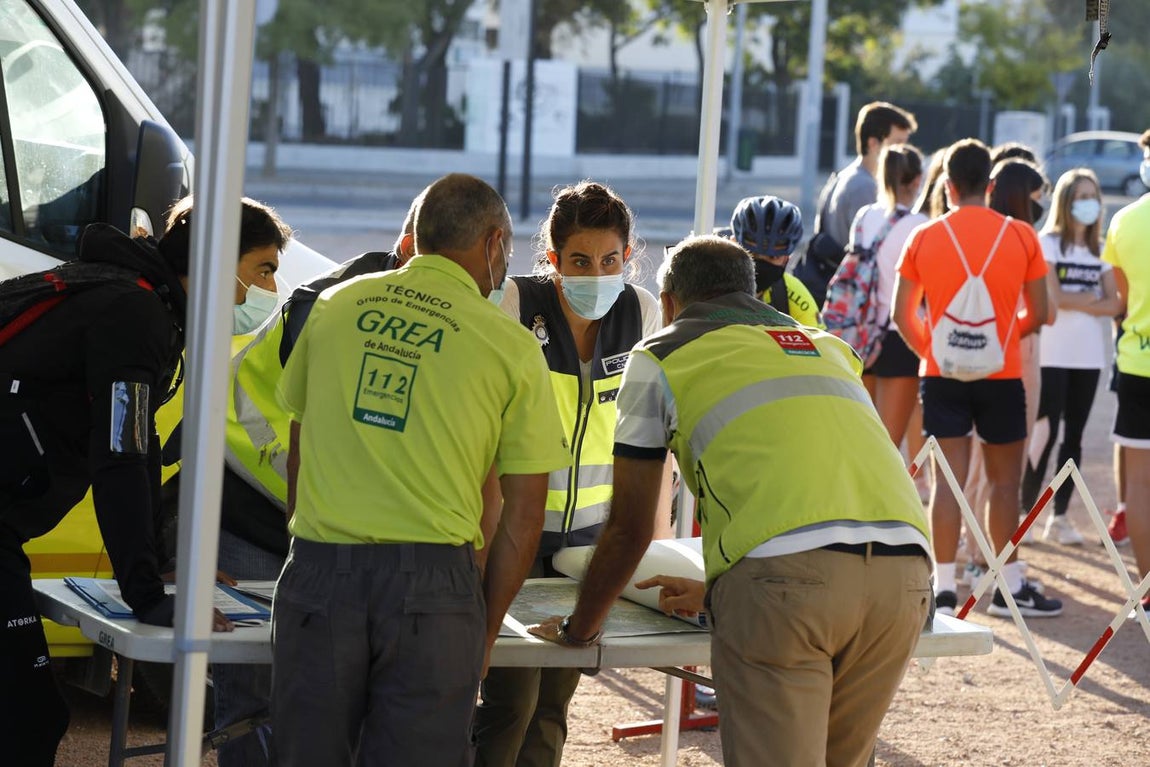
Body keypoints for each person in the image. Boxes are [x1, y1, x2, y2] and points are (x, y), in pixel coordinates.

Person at [530, 235, 931, 767]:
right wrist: (722, 591)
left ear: (669, 303)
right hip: (903, 577)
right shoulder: (828, 347)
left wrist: (578, 629)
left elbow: (630, 527)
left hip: (784, 587)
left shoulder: (661, 353)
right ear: (753, 294)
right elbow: (823, 498)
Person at [271, 173, 570, 766]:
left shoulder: (333, 306)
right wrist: (484, 631)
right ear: (493, 244)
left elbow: (300, 449)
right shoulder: (509, 346)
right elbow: (524, 515)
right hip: (433, 591)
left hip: (320, 569)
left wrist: (311, 554)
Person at [0, 195, 289, 766]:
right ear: (213, 260)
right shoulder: (134, 311)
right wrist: (148, 596)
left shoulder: (136, 294)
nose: (260, 292)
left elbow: (136, 440)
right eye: (262, 269)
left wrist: (155, 558)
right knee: (28, 715)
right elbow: (121, 453)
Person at [209, 201, 419, 767]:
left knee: (326, 705)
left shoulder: (430, 319)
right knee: (251, 702)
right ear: (406, 251)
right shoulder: (326, 307)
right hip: (254, 515)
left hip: (324, 533)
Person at [473, 180, 664, 767]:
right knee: (510, 700)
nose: (597, 273)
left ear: (629, 258)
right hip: (515, 534)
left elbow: (651, 440)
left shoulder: (643, 310)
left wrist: (649, 543)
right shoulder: (510, 304)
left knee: (556, 702)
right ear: (552, 258)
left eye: (611, 260)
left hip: (590, 547)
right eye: (580, 260)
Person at [893, 139, 1059, 618]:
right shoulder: (1021, 235)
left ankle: (943, 588)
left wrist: (935, 351)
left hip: (942, 374)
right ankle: (1006, 583)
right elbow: (1042, 312)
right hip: (1002, 372)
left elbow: (902, 314)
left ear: (947, 185)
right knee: (1005, 483)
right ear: (989, 185)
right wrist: (1004, 337)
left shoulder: (924, 236)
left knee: (949, 482)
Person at [1022, 168, 1121, 546]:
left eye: (1092, 196)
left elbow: (1116, 302)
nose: (1089, 204)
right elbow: (1055, 300)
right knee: (1043, 434)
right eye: (1081, 196)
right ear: (1065, 201)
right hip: (1051, 354)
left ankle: (1059, 516)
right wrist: (1092, 301)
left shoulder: (1102, 250)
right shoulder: (1046, 244)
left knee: (1073, 438)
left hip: (1089, 357)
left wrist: (1084, 302)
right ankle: (1024, 514)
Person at [797, 102, 917, 306]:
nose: (902, 153)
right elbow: (873, 260)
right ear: (873, 143)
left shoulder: (842, 177)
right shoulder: (866, 187)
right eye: (897, 144)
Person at [1100, 128, 1150, 616]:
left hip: (1137, 362)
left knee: (1139, 486)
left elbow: (1118, 299)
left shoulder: (1124, 220)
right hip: (1135, 362)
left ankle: (1148, 591)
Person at [848, 143, 926, 447]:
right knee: (887, 444)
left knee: (864, 436)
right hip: (900, 335)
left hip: (862, 333)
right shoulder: (918, 226)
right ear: (917, 180)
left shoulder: (865, 216)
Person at [727, 195, 822, 327]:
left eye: (773, 257)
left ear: (787, 258)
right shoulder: (704, 283)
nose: (758, 264)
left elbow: (818, 341)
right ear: (733, 243)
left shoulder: (790, 294)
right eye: (752, 254)